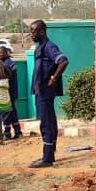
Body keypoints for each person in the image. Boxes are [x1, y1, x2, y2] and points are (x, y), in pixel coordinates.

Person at [28, 20, 68, 168]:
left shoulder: (49, 47)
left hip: (45, 92)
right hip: (41, 91)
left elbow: (63, 61)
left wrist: (54, 78)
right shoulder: (41, 48)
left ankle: (47, 158)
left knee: (46, 124)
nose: (31, 34)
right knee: (49, 122)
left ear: (42, 32)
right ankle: (50, 154)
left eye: (33, 31)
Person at [0, 46, 22, 140]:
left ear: (6, 53)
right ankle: (18, 132)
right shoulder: (4, 62)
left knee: (6, 112)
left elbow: (7, 74)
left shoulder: (9, 63)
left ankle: (7, 133)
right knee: (12, 112)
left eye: (1, 53)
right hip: (7, 92)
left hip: (9, 92)